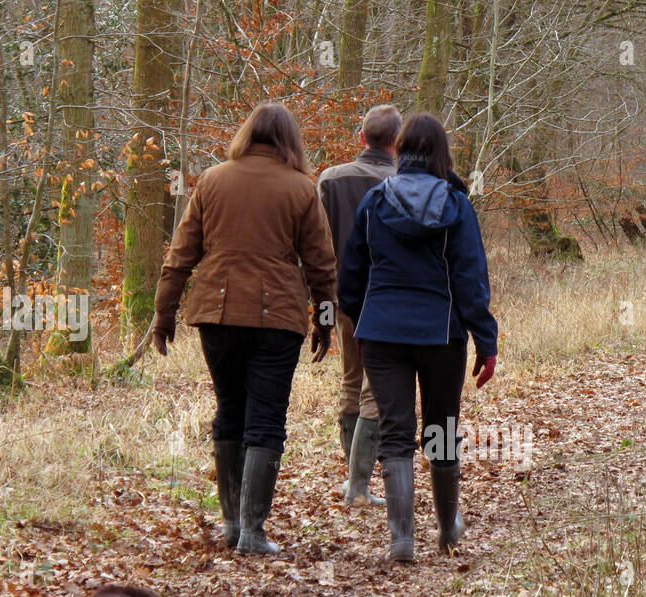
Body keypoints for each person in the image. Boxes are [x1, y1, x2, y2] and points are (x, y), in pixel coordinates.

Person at [150, 102, 338, 556]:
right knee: (267, 418)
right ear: (289, 140)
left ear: (247, 134)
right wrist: (325, 321)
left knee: (230, 411)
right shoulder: (301, 188)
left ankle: (232, 524)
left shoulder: (213, 180)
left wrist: (164, 314)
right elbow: (322, 266)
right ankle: (252, 531)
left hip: (217, 316)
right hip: (278, 323)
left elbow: (180, 255)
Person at [337, 112, 499, 563]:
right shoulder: (456, 205)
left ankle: (402, 540)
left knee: (395, 432)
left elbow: (351, 276)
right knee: (441, 430)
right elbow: (471, 278)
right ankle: (448, 528)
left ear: (399, 149)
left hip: (382, 334)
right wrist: (486, 340)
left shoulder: (374, 202)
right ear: (441, 152)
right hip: (441, 333)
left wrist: (362, 315)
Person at [316, 104, 402, 507]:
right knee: (374, 389)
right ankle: (358, 485)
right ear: (396, 143)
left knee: (351, 381)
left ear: (361, 138)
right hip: (387, 298)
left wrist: (317, 306)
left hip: (340, 299)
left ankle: (353, 481)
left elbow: (313, 246)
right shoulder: (404, 182)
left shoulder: (330, 180)